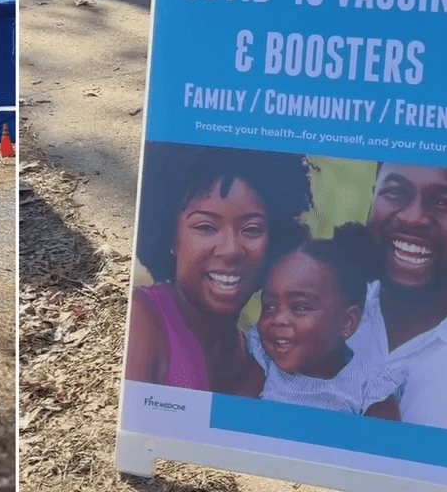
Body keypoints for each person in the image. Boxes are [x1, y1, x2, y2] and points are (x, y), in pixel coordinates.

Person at [125, 145, 312, 395]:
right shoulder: (144, 320)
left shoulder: (259, 365)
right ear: (170, 236)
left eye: (252, 229)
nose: (231, 250)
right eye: (205, 227)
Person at [346, 163, 447, 435]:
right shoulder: (329, 313)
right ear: (373, 200)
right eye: (395, 193)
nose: (413, 218)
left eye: (443, 203)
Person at [249, 223, 405, 419]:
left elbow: (384, 447)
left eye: (300, 307)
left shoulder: (370, 391)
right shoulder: (264, 363)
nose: (278, 319)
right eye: (269, 306)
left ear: (347, 322)